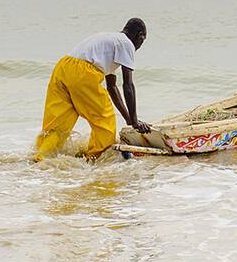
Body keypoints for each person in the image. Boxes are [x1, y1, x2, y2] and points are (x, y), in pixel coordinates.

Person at [35, 18, 151, 161]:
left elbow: (112, 87)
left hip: (63, 68)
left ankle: (42, 157)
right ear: (140, 36)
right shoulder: (126, 44)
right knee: (105, 119)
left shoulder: (110, 43)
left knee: (60, 123)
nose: (139, 46)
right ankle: (95, 159)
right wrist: (135, 122)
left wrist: (129, 119)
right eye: (142, 41)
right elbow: (128, 86)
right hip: (83, 72)